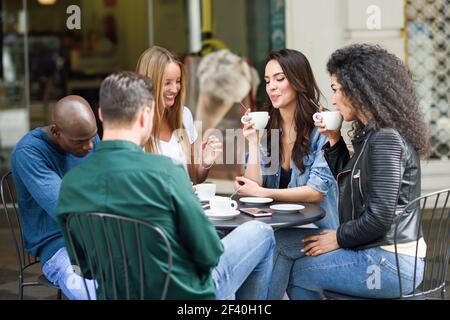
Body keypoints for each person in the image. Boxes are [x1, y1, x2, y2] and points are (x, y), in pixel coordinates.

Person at [56, 71, 275, 300]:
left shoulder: (71, 184)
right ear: (145, 116)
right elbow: (209, 254)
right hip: (184, 296)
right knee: (260, 231)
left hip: (117, 295)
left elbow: (85, 267)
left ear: (101, 115)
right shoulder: (167, 171)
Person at [279, 43, 430, 299]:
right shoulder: (374, 133)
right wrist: (334, 140)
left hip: (390, 261)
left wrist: (338, 237)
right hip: (379, 250)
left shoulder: (385, 139)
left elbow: (379, 218)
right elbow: (351, 182)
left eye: (337, 90)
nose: (334, 99)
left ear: (359, 89)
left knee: (300, 273)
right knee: (282, 242)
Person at [233, 49, 339, 298]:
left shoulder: (321, 126)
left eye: (280, 79)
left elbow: (316, 192)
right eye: (268, 81)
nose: (272, 87)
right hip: (277, 226)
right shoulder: (268, 124)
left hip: (317, 227)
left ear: (298, 80)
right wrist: (253, 142)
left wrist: (263, 192)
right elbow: (252, 186)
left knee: (273, 246)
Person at [11, 95, 99, 300]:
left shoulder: (87, 136)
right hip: (60, 245)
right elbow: (67, 208)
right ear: (56, 132)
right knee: (90, 291)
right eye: (80, 141)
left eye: (92, 137)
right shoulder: (29, 152)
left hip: (97, 234)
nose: (90, 146)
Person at [136, 46, 222, 184]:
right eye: (167, 83)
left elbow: (195, 178)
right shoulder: (135, 124)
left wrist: (205, 162)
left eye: (178, 81)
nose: (175, 89)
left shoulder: (184, 115)